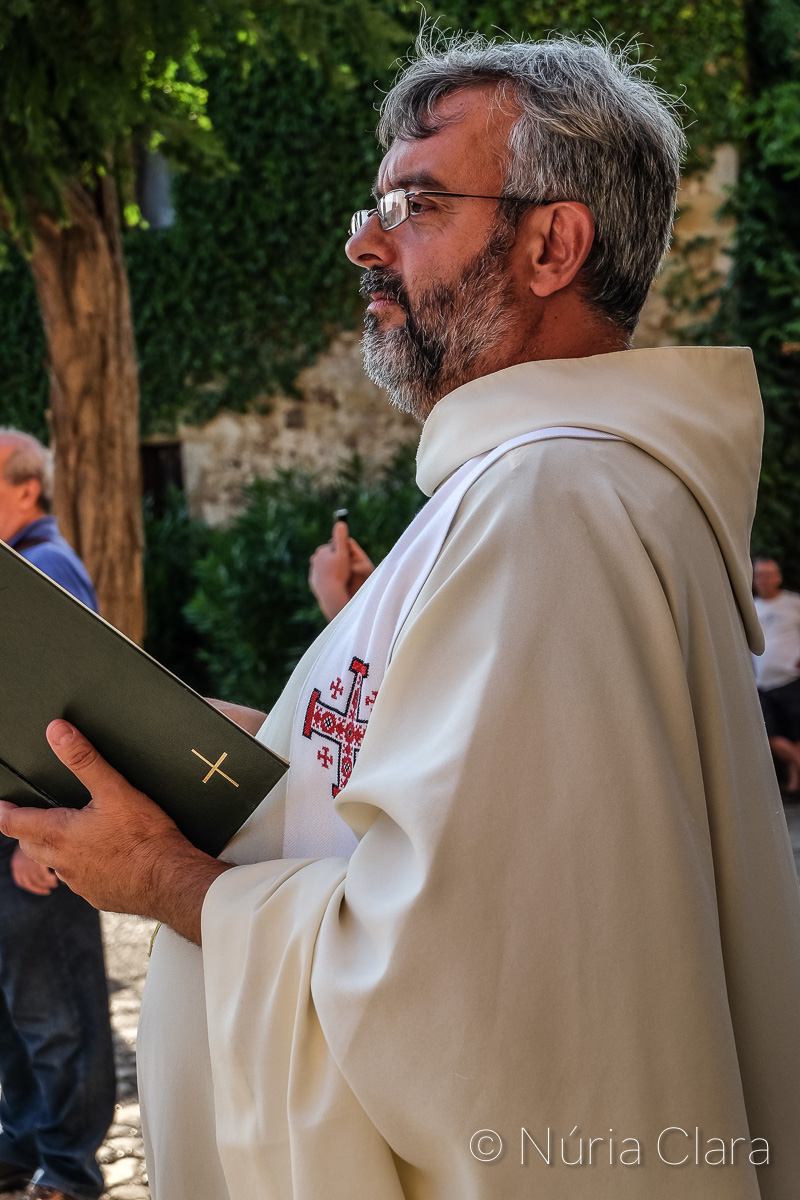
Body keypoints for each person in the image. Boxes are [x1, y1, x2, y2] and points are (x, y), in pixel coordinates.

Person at [2, 33, 800, 1200]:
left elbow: (470, 983)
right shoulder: (534, 488)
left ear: (551, 245)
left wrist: (163, 879)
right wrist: (218, 753)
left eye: (414, 205)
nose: (362, 244)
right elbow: (430, 800)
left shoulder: (551, 502)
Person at [0, 432, 115, 1200]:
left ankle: (70, 1170)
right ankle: (23, 1142)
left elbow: (66, 711)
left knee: (56, 1009)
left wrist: (39, 835)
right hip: (12, 826)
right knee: (15, 1007)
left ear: (25, 490)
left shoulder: (46, 568)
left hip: (37, 831)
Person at [752, 557, 800, 791]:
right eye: (759, 575)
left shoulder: (793, 603)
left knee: (796, 733)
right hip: (761, 683)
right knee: (768, 736)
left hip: (791, 679)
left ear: (778, 577)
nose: (763, 580)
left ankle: (794, 785)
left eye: (768, 574)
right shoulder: (750, 607)